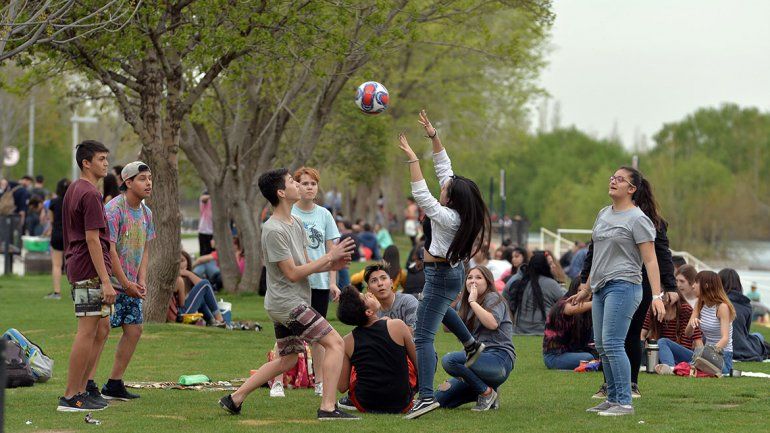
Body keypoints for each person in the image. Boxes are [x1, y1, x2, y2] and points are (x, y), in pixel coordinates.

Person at [218, 168, 358, 421]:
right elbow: (292, 273)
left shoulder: (296, 224)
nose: (298, 185)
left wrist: (331, 264)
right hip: (288, 305)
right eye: (292, 181)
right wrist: (329, 256)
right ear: (281, 192)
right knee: (336, 343)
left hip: (288, 302)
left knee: (288, 359)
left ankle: (234, 398)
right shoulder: (273, 230)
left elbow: (304, 266)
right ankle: (328, 408)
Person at [397, 110, 490, 419]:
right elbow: (444, 166)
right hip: (447, 274)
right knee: (437, 306)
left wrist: (413, 159)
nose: (443, 186)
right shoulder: (457, 210)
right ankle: (471, 344)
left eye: (446, 188)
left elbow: (421, 194)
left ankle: (425, 397)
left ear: (450, 199)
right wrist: (434, 136)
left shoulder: (448, 217)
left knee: (423, 337)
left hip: (440, 276)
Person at [569, 166, 666, 417]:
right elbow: (598, 256)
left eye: (620, 179)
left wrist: (657, 296)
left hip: (625, 285)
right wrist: (586, 289)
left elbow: (651, 260)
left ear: (632, 189)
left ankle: (624, 402)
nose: (613, 181)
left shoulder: (638, 219)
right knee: (602, 345)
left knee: (613, 343)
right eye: (612, 177)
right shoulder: (603, 214)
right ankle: (612, 399)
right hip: (601, 287)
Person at [57, 140, 115, 412]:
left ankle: (82, 389)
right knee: (87, 331)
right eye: (101, 159)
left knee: (101, 328)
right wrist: (106, 281)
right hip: (88, 270)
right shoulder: (89, 193)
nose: (106, 163)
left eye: (106, 158)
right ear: (86, 163)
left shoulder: (76, 188)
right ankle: (71, 395)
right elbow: (92, 239)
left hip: (82, 267)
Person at [91, 161, 155, 401]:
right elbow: (109, 250)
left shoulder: (147, 213)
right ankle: (87, 384)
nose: (148, 183)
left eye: (149, 178)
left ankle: (114, 384)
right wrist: (125, 284)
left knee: (134, 330)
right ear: (128, 182)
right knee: (100, 332)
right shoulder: (114, 209)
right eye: (142, 179)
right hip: (110, 283)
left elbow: (145, 248)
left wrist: (141, 279)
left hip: (131, 285)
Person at [289, 166, 341, 398]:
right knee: (289, 333)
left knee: (318, 335)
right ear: (296, 186)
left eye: (313, 183)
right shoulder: (289, 212)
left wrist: (333, 282)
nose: (309, 187)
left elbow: (333, 253)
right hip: (297, 282)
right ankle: (278, 382)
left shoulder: (324, 215)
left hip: (319, 283)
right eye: (305, 183)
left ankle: (319, 381)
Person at [435, 266, 515, 411]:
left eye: (478, 277)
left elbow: (492, 323)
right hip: (475, 362)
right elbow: (447, 328)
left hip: (498, 360)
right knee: (439, 399)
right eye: (469, 277)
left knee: (449, 360)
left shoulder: (493, 297)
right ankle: (486, 390)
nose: (473, 281)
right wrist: (451, 304)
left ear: (488, 282)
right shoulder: (465, 304)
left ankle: (486, 393)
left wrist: (473, 301)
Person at [336, 286, 417, 414]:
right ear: (369, 312)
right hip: (402, 403)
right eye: (365, 297)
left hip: (365, 404)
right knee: (408, 359)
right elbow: (418, 364)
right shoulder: (398, 326)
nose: (369, 294)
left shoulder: (347, 341)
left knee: (357, 366)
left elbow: (342, 387)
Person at [641, 289, 702, 374]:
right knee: (657, 347)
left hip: (684, 356)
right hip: (664, 356)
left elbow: (698, 340)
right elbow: (642, 335)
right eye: (658, 294)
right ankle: (672, 368)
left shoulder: (685, 309)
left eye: (663, 293)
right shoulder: (654, 308)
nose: (660, 297)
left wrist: (702, 361)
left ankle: (671, 369)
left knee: (662, 341)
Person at [686, 271, 735, 375]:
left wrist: (706, 354)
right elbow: (688, 334)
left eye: (696, 282)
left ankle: (689, 366)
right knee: (664, 342)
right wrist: (692, 324)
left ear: (706, 286)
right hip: (704, 353)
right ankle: (671, 368)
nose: (693, 286)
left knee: (693, 365)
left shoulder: (722, 307)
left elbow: (725, 339)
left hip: (722, 356)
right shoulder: (699, 304)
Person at [505, 251, 566, 335]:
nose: (554, 265)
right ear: (544, 266)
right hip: (543, 330)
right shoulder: (551, 284)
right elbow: (567, 302)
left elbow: (504, 298)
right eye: (550, 263)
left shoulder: (520, 281)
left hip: (520, 330)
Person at [542, 279, 595, 370]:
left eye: (587, 292)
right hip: (555, 356)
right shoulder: (563, 304)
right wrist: (598, 302)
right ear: (573, 291)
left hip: (575, 352)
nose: (583, 295)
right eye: (579, 291)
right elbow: (571, 309)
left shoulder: (587, 312)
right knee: (588, 358)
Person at [718, 269, 768, 361]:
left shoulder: (716, 303)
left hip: (719, 345)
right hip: (740, 347)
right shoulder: (745, 304)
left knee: (756, 336)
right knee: (758, 335)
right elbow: (745, 332)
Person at [170, 251, 226, 325]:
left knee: (202, 298)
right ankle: (220, 320)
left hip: (183, 312)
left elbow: (205, 289)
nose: (180, 264)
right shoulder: (177, 280)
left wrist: (189, 274)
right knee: (205, 283)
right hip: (180, 315)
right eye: (178, 261)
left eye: (182, 261)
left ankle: (212, 321)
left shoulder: (188, 279)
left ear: (188, 263)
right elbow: (182, 304)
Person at [44, 179, 71, 300]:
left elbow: (51, 220)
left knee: (56, 264)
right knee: (71, 263)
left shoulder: (53, 202)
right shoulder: (73, 202)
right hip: (70, 236)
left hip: (57, 234)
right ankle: (74, 291)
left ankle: (57, 292)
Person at [198, 190, 214, 256]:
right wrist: (212, 195)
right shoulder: (205, 200)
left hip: (213, 232)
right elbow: (203, 198)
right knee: (203, 253)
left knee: (212, 253)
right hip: (203, 231)